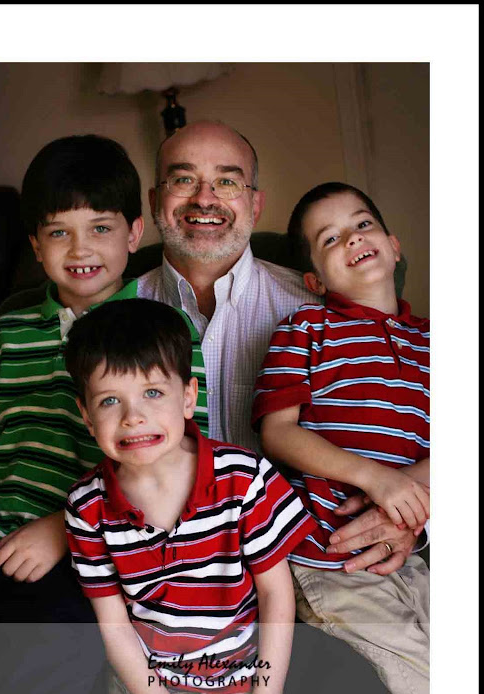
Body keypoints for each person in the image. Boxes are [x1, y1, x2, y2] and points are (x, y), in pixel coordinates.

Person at [0, 134, 207, 694]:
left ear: (134, 233)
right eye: (59, 232)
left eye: (100, 228)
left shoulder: (165, 331)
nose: (80, 249)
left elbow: (182, 460)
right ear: (35, 245)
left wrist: (61, 529)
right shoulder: (7, 330)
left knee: (37, 673)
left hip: (84, 547)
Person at [138, 120, 418, 575]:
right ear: (154, 200)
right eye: (184, 179)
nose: (205, 198)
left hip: (302, 556)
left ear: (255, 203)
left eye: (227, 181)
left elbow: (403, 424)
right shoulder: (115, 315)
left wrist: (411, 518)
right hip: (162, 563)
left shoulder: (325, 306)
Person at [64, 298, 320, 694]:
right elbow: (115, 625)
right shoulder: (87, 506)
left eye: (152, 393)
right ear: (87, 416)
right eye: (109, 401)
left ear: (188, 397)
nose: (133, 417)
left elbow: (277, 596)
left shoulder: (244, 478)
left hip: (238, 687)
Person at [252, 182, 430, 694]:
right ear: (314, 281)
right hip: (327, 558)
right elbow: (278, 432)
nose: (353, 238)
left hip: (412, 557)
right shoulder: (306, 329)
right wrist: (373, 478)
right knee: (423, 688)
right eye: (330, 238)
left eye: (363, 224)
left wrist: (410, 489)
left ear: (394, 247)